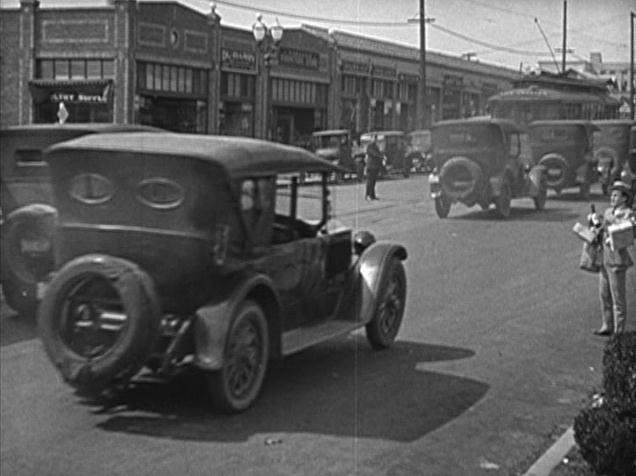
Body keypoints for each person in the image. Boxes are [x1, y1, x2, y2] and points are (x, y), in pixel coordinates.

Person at [589, 181, 636, 336]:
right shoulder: (609, 212)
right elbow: (601, 230)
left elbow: (626, 232)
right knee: (604, 295)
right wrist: (595, 223)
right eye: (612, 195)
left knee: (618, 299)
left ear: (624, 198)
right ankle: (607, 324)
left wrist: (609, 222)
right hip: (605, 257)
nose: (613, 198)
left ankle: (619, 331)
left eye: (616, 195)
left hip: (617, 259)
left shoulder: (629, 214)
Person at [365, 136, 383, 200]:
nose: (375, 140)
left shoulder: (376, 146)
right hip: (371, 166)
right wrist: (380, 156)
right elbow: (374, 154)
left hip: (375, 166)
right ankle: (368, 195)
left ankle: (372, 195)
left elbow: (378, 153)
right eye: (374, 138)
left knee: (373, 182)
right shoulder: (370, 146)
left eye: (376, 139)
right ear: (371, 139)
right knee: (370, 181)